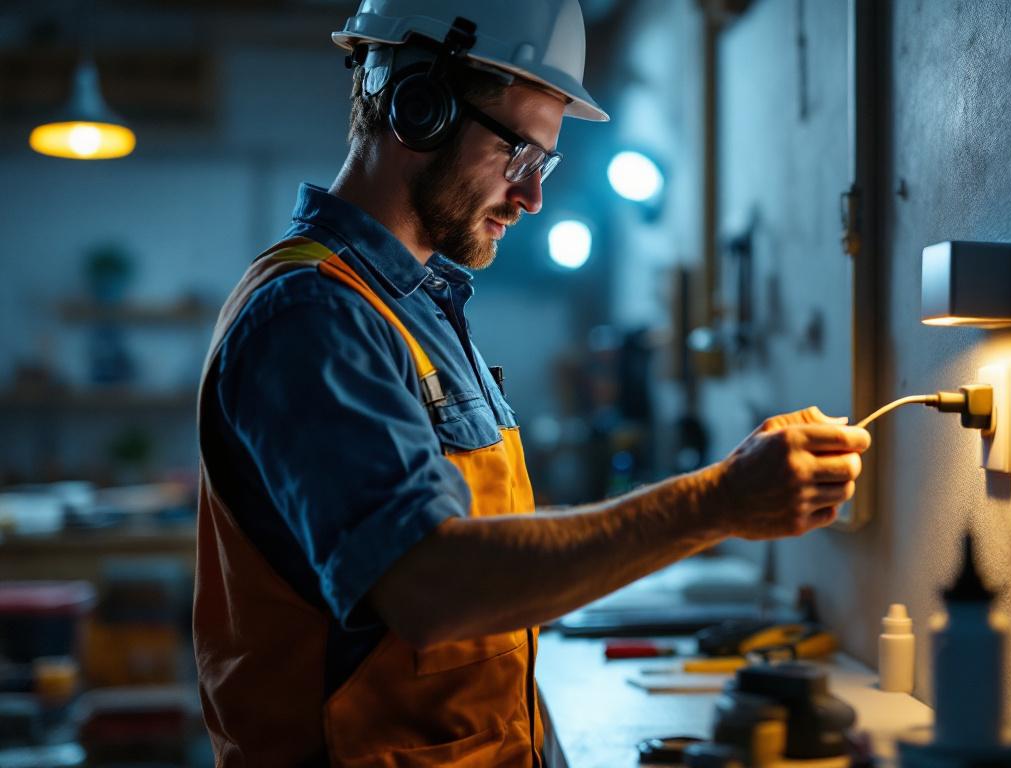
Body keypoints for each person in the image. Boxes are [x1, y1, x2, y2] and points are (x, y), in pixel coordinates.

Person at [192, 0, 870, 765]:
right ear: (421, 109)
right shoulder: (313, 316)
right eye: (519, 155)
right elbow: (428, 585)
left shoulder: (420, 309)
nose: (532, 196)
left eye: (541, 166)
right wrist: (716, 502)